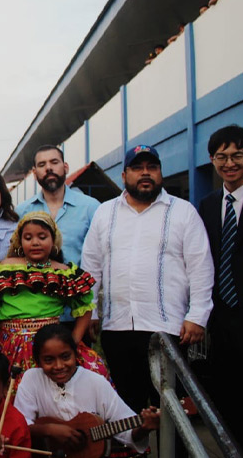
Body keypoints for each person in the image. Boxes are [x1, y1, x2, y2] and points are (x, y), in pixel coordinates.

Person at [81, 145, 213, 413]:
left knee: (174, 412)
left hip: (169, 329)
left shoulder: (182, 211)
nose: (145, 173)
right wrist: (90, 312)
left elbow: (200, 266)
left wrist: (198, 315)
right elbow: (91, 268)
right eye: (137, 168)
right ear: (124, 175)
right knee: (128, 411)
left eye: (151, 167)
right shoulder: (105, 213)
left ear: (160, 173)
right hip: (117, 330)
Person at [0, 211, 109, 396]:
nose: (35, 242)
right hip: (10, 344)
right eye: (28, 237)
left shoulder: (64, 272)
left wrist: (73, 341)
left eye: (42, 237)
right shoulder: (4, 268)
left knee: (83, 379)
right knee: (11, 392)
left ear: (54, 240)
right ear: (19, 241)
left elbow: (84, 309)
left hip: (52, 344)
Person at [14, 325, 159, 456]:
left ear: (76, 355)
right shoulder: (31, 379)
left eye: (65, 357)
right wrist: (50, 430)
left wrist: (143, 428)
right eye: (49, 360)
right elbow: (20, 425)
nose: (58, 366)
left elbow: (125, 429)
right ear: (38, 361)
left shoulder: (95, 382)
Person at [17, 145, 100, 333]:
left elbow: (98, 259)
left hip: (77, 313)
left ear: (65, 167)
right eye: (42, 164)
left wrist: (92, 311)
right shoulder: (22, 211)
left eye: (54, 162)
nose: (48, 168)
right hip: (35, 313)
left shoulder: (90, 208)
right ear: (34, 172)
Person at [198, 125, 243, 444]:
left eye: (238, 155)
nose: (230, 163)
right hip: (221, 316)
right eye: (222, 156)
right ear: (212, 160)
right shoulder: (208, 205)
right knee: (226, 390)